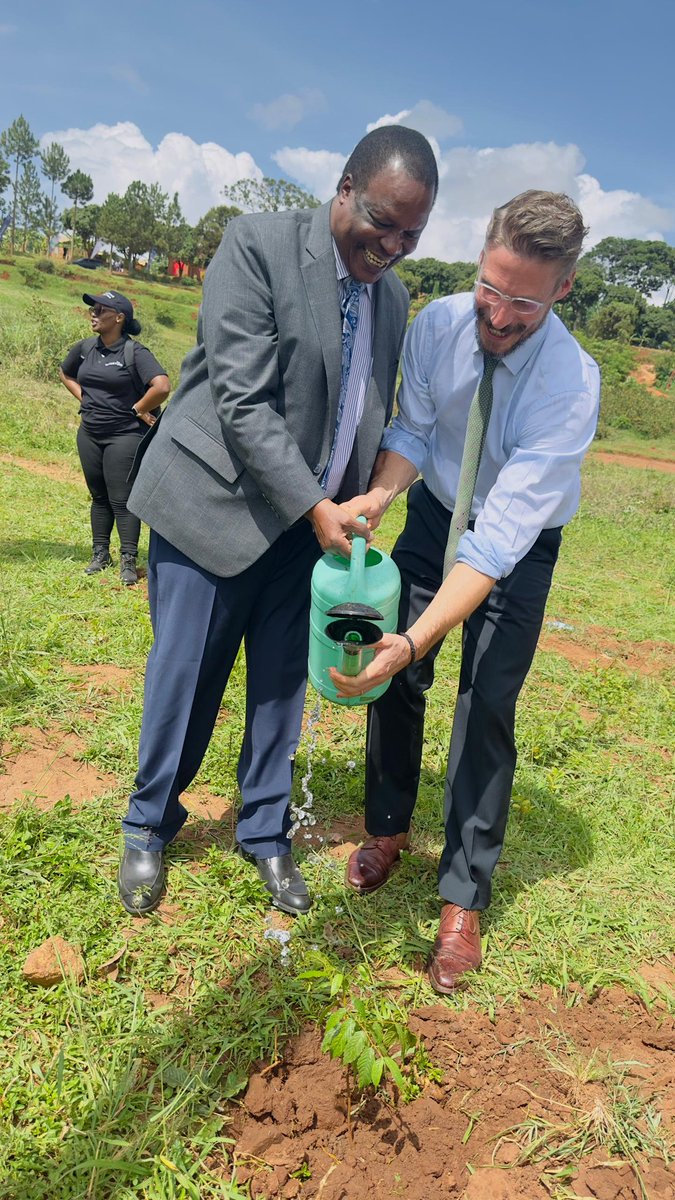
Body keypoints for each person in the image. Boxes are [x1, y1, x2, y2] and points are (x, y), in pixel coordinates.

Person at [117, 126, 438, 917]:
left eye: (411, 233)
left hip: (311, 534)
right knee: (184, 678)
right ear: (343, 187)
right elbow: (240, 398)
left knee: (279, 689)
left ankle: (263, 833)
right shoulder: (256, 244)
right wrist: (314, 502)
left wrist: (359, 501)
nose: (391, 245)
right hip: (212, 507)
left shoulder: (392, 296)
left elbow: (367, 409)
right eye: (381, 221)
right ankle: (148, 825)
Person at [332, 190, 601, 993]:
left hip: (515, 544)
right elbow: (413, 431)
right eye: (491, 285)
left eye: (523, 298)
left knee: (485, 702)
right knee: (397, 683)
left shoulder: (569, 385)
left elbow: (494, 545)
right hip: (434, 510)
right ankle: (386, 828)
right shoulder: (439, 324)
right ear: (479, 257)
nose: (499, 312)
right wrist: (381, 497)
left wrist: (416, 634)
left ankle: (462, 897)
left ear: (562, 288)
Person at [59, 291, 171, 586]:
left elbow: (161, 386)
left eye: (99, 309)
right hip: (90, 434)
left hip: (124, 435)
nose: (93, 313)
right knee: (99, 497)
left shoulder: (134, 353)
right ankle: (100, 555)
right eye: (92, 308)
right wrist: (85, 399)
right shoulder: (85, 349)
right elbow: (65, 373)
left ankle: (129, 561)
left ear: (119, 318)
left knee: (122, 500)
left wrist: (138, 408)